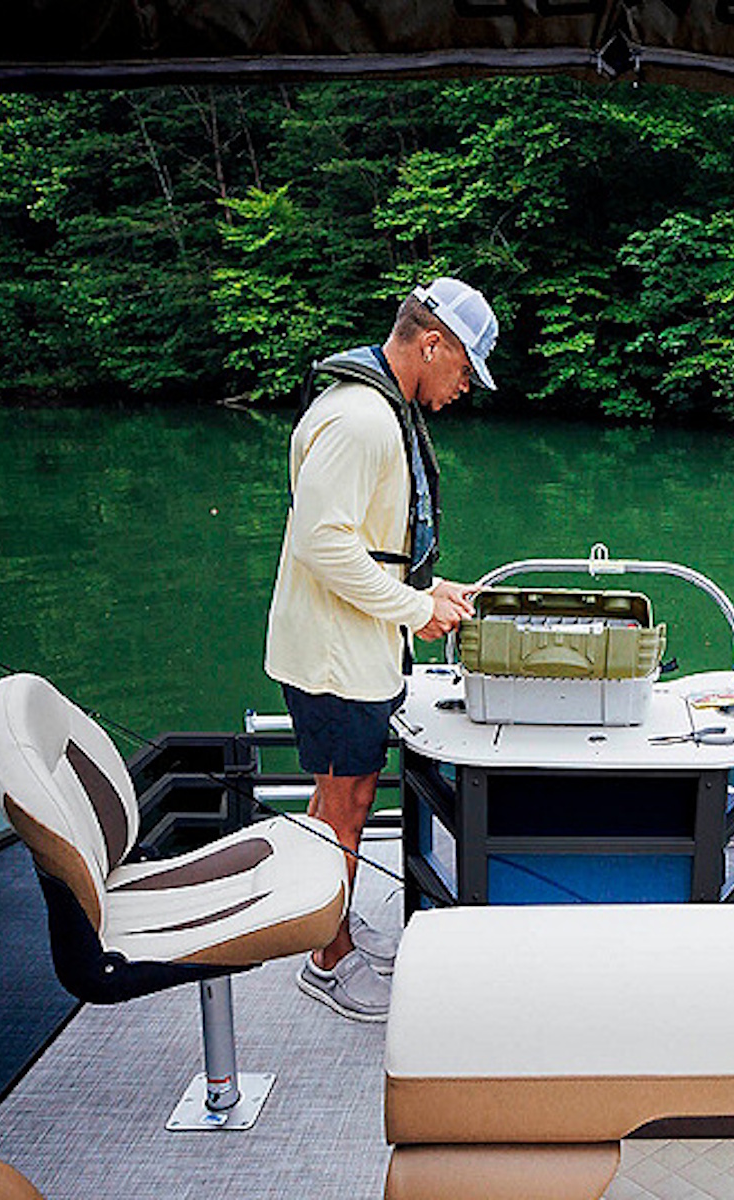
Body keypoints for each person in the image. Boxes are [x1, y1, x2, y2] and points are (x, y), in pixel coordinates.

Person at [264, 277, 498, 1021]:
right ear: (431, 344)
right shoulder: (362, 419)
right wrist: (414, 608)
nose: (465, 386)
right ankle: (328, 960)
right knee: (346, 805)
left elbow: (369, 539)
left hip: (354, 647)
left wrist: (427, 586)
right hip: (333, 658)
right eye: (464, 368)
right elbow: (322, 544)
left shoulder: (378, 409)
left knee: (339, 798)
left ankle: (328, 920)